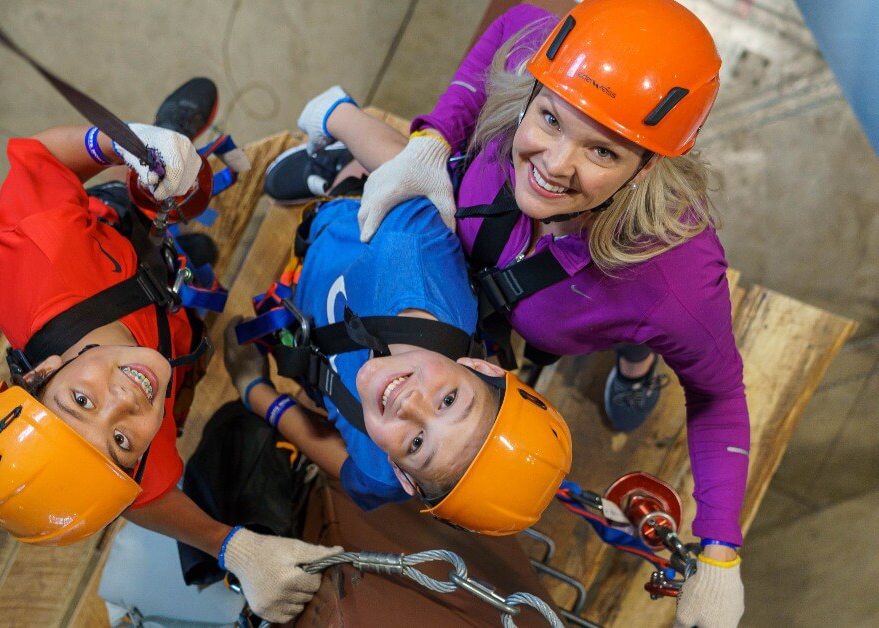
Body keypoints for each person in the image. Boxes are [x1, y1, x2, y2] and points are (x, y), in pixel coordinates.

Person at [284, 1, 747, 626]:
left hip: (587, 314)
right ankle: (337, 172)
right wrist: (432, 140)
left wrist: (719, 547)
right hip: (466, 280)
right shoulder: (537, 45)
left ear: (649, 166)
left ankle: (635, 366)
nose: (556, 165)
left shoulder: (675, 279)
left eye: (604, 152)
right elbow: (507, 29)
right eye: (550, 118)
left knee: (644, 334)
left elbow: (717, 394)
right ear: (532, 90)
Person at [0, 78, 340, 624]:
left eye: (81, 402)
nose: (124, 402)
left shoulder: (38, 261)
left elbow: (42, 158)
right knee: (184, 267)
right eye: (119, 441)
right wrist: (233, 547)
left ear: (41, 371)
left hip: (103, 242)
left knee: (166, 184)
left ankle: (165, 140)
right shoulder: (133, 461)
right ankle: (178, 263)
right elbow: (147, 501)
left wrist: (115, 145)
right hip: (162, 321)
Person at [223, 187, 572, 536]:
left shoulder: (381, 470)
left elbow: (353, 473)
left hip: (300, 312)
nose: (410, 405)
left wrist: (256, 392)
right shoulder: (411, 247)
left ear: (404, 477)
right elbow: (390, 186)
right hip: (329, 229)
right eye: (448, 401)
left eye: (417, 443)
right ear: (482, 368)